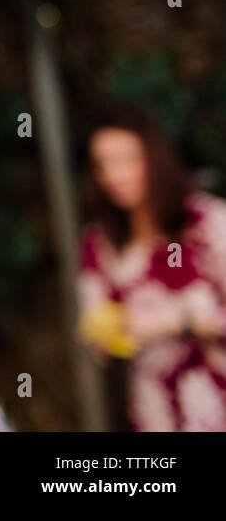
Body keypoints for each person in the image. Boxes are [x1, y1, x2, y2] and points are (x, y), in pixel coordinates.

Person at [77, 105, 226, 431]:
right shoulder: (99, 244)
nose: (113, 175)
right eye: (102, 165)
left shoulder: (208, 223)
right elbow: (95, 321)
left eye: (124, 160)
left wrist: (179, 322)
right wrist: (103, 335)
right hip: (153, 414)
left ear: (154, 158)